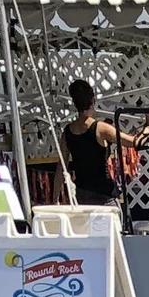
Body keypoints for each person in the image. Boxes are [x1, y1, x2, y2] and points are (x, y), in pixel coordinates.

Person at [60, 78, 121, 207]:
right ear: (93, 100)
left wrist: (55, 199)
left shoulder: (67, 132)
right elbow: (135, 142)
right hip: (104, 194)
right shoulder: (101, 128)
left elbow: (61, 168)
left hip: (82, 194)